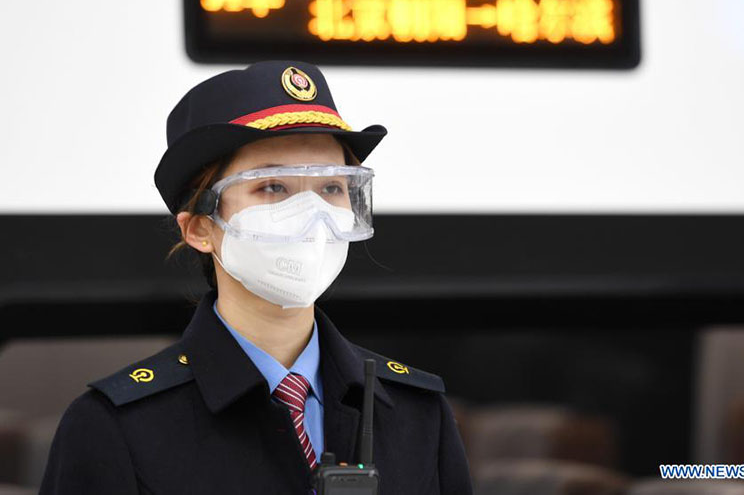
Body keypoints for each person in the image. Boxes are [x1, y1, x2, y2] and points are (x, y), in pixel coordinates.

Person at [39, 60, 473, 494]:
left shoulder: (416, 413)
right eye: (273, 188)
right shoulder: (116, 426)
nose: (312, 214)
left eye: (332, 188)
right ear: (200, 229)